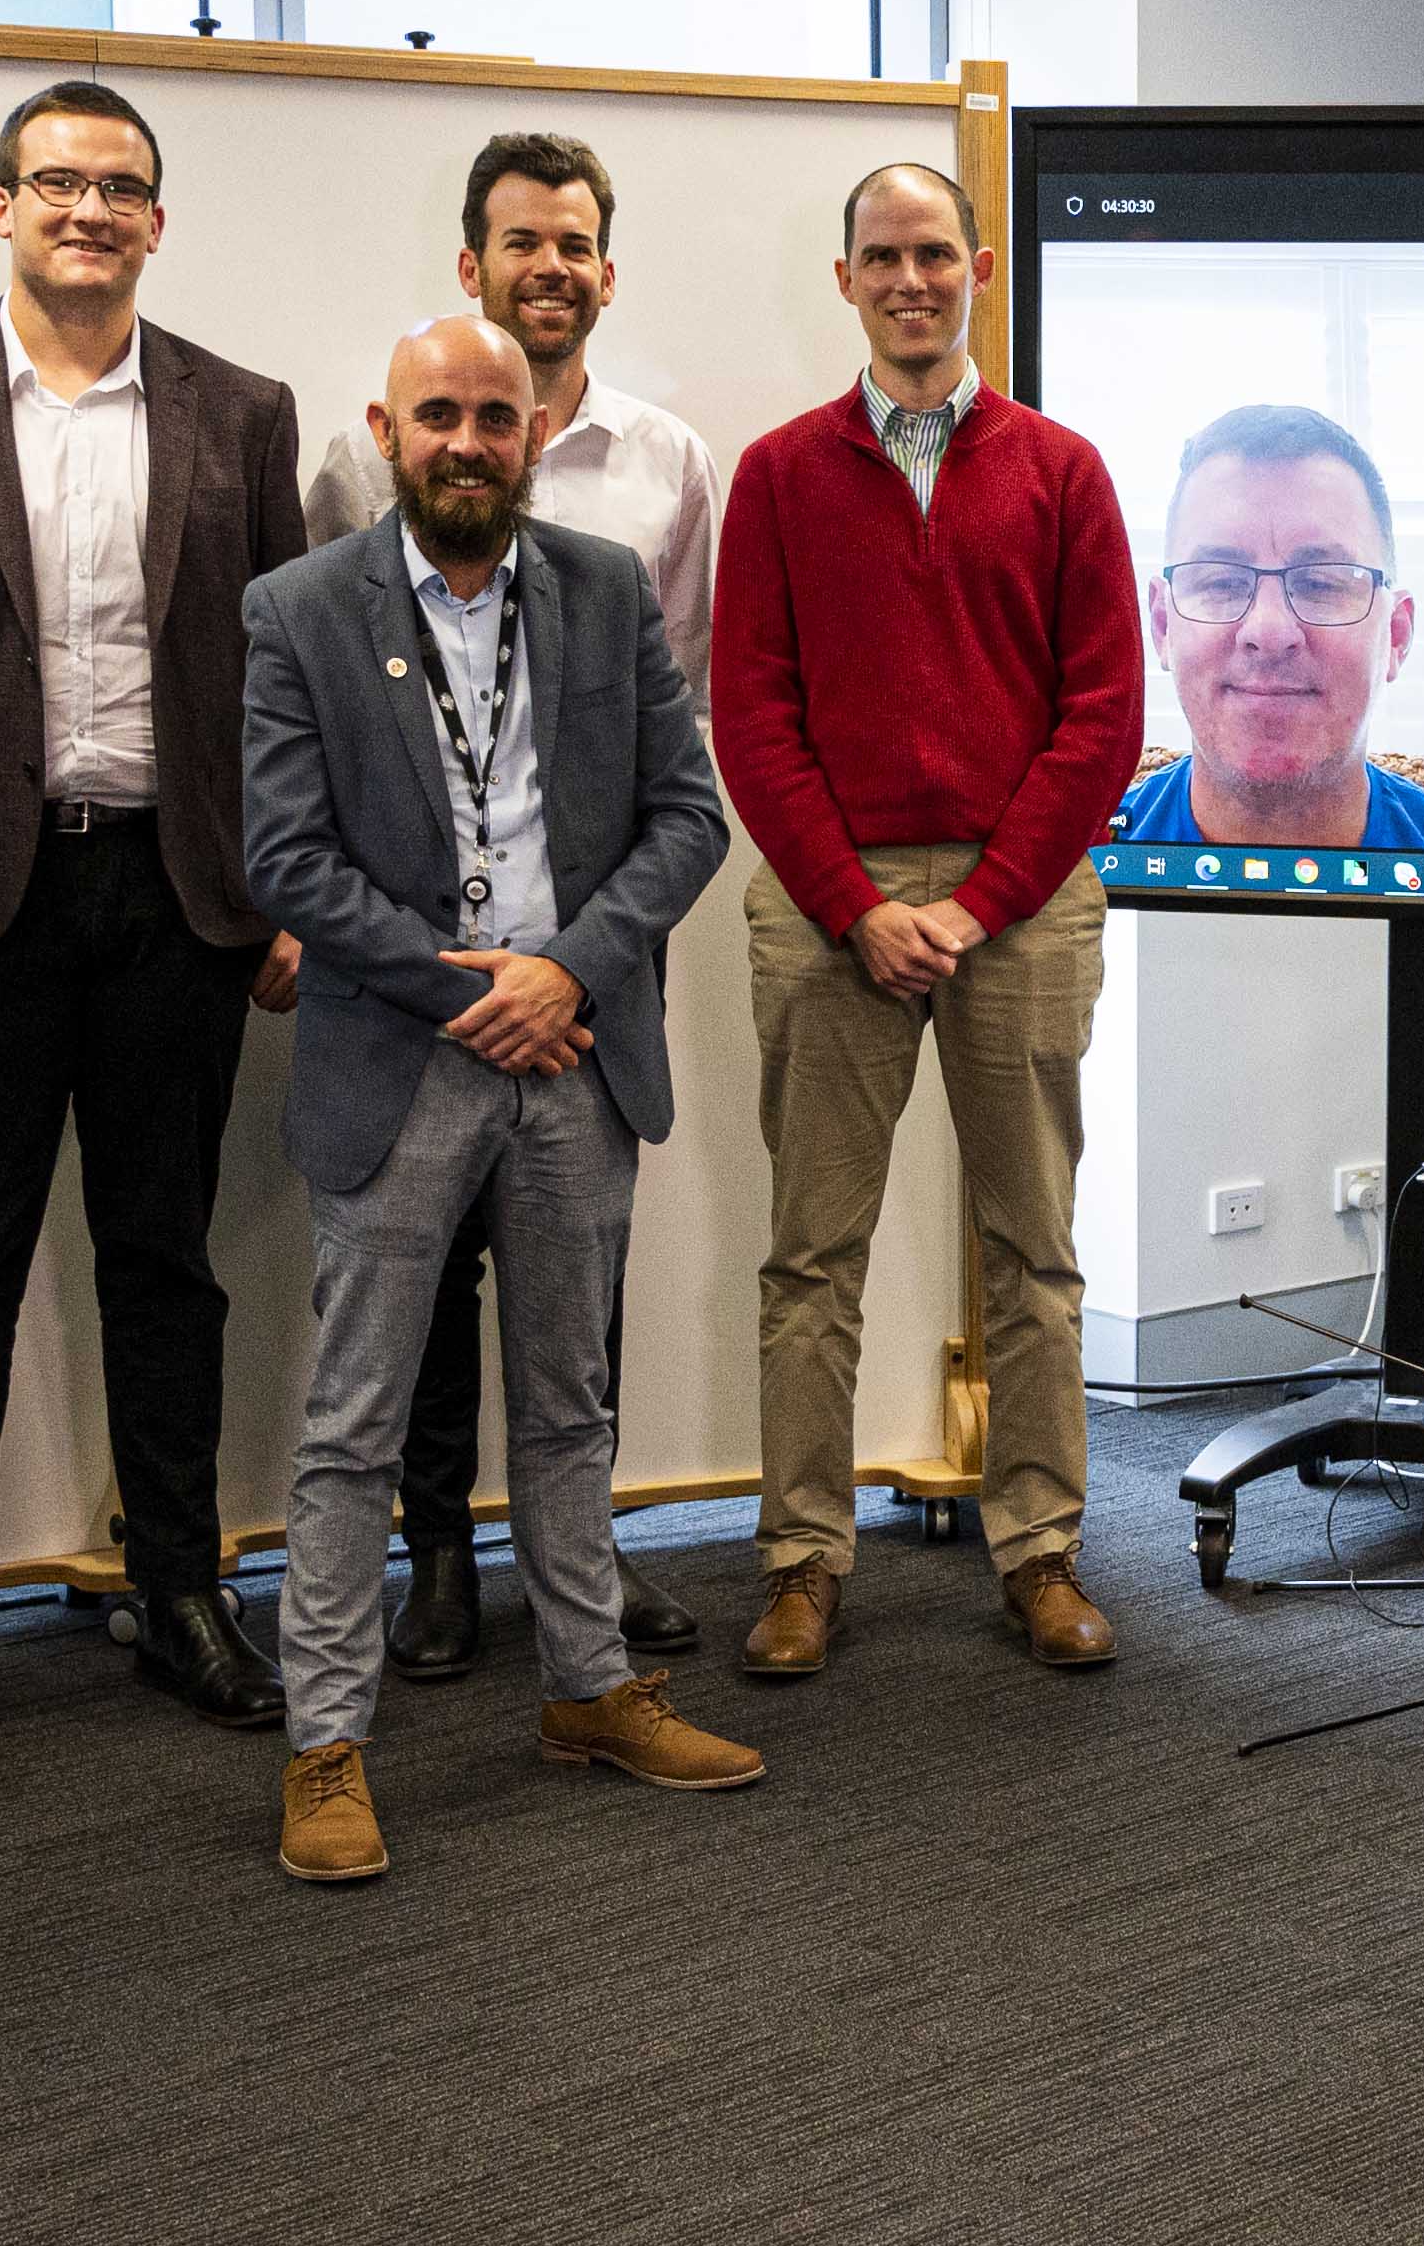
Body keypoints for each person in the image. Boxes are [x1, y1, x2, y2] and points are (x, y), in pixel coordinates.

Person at [0, 81, 309, 1784]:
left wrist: (282, 885)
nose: (89, 210)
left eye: (122, 188)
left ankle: (180, 1596)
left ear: (156, 222)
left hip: (174, 903)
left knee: (164, 1266)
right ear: (1, 205)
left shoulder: (242, 416)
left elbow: (281, 684)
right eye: (59, 182)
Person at [236, 315, 753, 1884]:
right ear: (386, 432)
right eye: (438, 416)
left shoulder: (601, 593)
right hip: (407, 1057)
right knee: (352, 1426)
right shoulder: (300, 610)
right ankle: (326, 1743)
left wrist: (570, 972)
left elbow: (687, 818)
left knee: (571, 1407)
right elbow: (284, 859)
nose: (469, 441)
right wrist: (472, 988)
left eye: (497, 417)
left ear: (534, 432)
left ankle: (590, 1690)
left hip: (577, 1054)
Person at [711, 163, 1144, 1678]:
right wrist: (855, 903)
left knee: (1031, 1247)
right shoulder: (776, 474)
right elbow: (751, 714)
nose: (911, 282)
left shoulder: (1064, 471)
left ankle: (1040, 1551)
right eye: (881, 258)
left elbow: (1101, 721)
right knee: (810, 1254)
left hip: (1016, 902)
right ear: (845, 280)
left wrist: (974, 903)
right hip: (831, 901)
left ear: (975, 270)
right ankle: (800, 1561)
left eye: (935, 256)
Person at [301, 134, 723, 1686]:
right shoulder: (370, 464)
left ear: (605, 272)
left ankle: (580, 1582)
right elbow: (324, 738)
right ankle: (436, 1568)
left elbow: (669, 747)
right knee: (416, 1293)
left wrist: (584, 959)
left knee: (574, 1291)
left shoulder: (669, 465)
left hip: (593, 954)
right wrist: (424, 965)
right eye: (520, 241)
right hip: (411, 973)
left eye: (577, 242)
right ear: (471, 261)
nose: (551, 264)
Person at [1107, 404, 1424, 854]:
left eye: (1320, 582)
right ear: (1162, 625)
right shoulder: (1068, 882)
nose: (1270, 630)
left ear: (1395, 635)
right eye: (1221, 581)